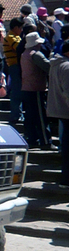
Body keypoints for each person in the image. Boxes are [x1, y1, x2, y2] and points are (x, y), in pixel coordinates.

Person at [21, 32, 54, 149]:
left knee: (30, 116)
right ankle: (46, 141)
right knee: (40, 116)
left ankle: (32, 139)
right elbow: (48, 66)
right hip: (36, 89)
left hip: (26, 88)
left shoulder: (24, 54)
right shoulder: (36, 54)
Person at [47, 39, 69, 186]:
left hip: (59, 109)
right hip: (66, 110)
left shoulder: (55, 64)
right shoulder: (67, 67)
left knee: (66, 145)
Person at [4, 17, 25, 127]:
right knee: (16, 91)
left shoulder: (15, 36)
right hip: (14, 66)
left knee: (18, 91)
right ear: (16, 27)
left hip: (16, 66)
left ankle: (18, 114)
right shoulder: (11, 37)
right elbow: (19, 48)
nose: (21, 30)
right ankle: (15, 115)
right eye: (21, 28)